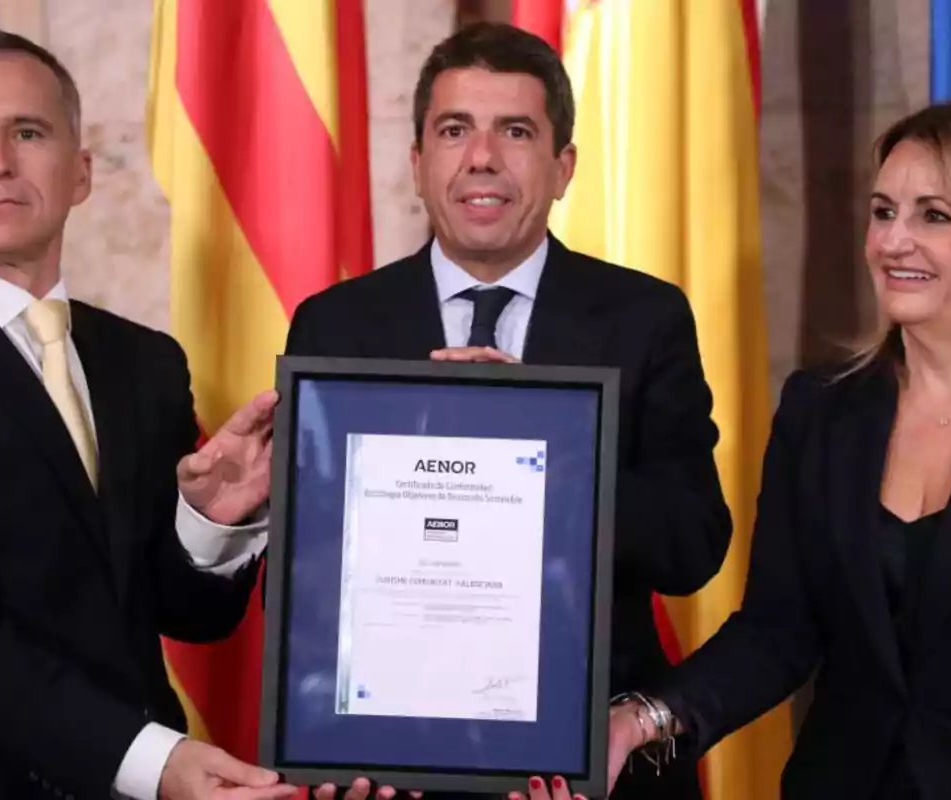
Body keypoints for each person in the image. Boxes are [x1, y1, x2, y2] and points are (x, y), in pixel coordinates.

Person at [525, 97, 951, 800]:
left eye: (934, 215)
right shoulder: (823, 409)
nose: (893, 241)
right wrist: (642, 718)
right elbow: (777, 630)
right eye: (883, 211)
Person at [290, 22, 731, 800]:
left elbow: (693, 547)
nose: (482, 158)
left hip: (587, 761)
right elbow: (307, 567)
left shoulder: (645, 317)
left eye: (515, 131)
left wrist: (550, 440)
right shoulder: (337, 324)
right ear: (418, 164)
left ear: (563, 168)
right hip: (390, 765)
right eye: (454, 130)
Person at [0, 27, 293, 800]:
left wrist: (210, 522)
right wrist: (155, 763)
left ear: (81, 173)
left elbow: (183, 616)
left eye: (27, 132)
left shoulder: (145, 362)